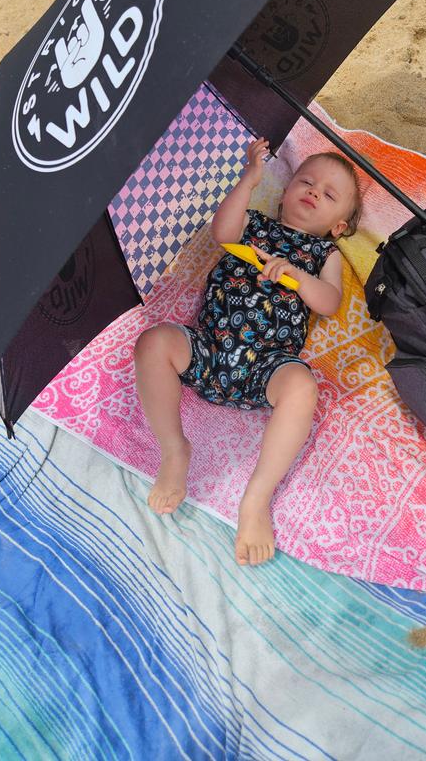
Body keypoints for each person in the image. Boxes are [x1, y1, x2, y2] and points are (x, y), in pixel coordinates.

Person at [134, 137, 363, 566]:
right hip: (208, 348)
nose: (313, 191)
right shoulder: (254, 224)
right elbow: (222, 233)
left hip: (267, 367)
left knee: (302, 387)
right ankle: (174, 448)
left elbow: (330, 303)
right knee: (153, 342)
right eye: (305, 181)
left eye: (329, 195)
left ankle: (256, 498)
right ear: (286, 191)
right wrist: (248, 179)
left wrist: (294, 275)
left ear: (340, 226)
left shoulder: (322, 253)